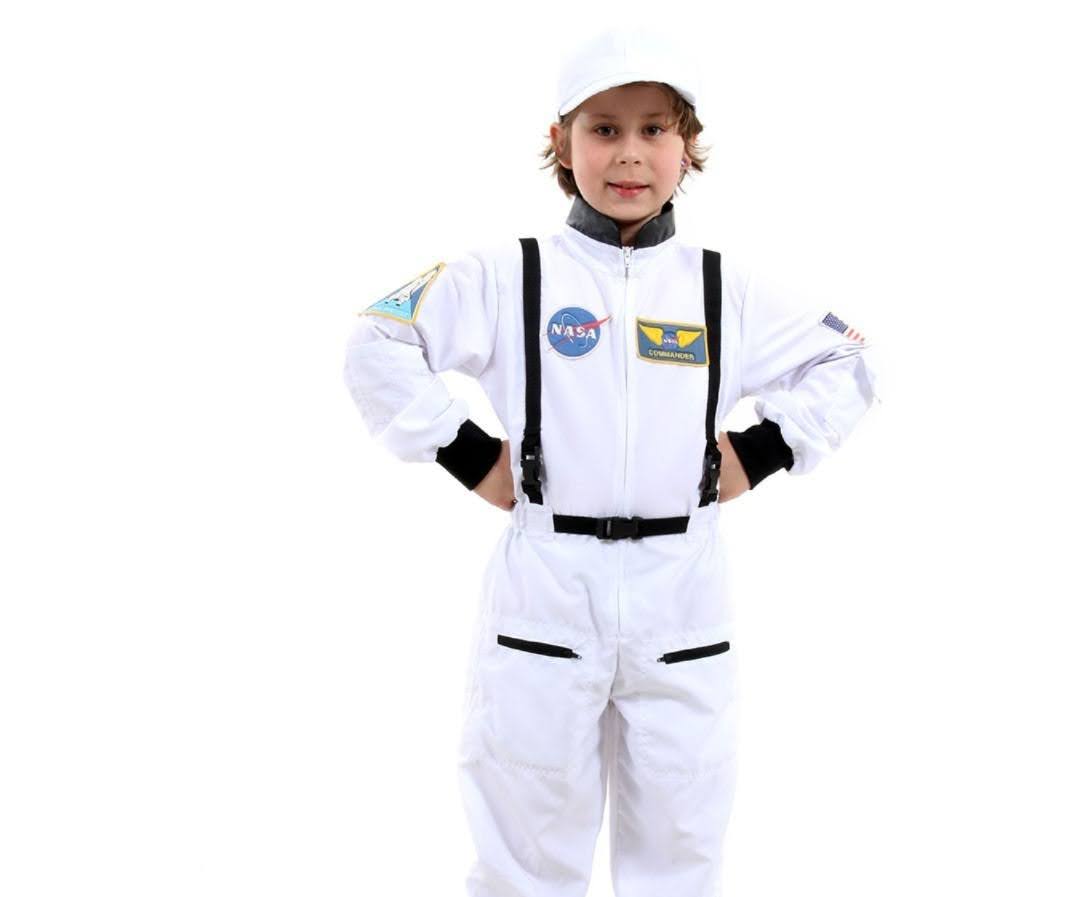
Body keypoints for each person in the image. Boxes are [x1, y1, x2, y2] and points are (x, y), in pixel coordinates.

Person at [342, 27, 882, 897]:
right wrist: (472, 456)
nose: (629, 154)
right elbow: (379, 338)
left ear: (687, 146)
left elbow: (848, 356)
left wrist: (760, 451)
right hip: (546, 594)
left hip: (682, 600)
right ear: (561, 142)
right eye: (603, 129)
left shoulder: (722, 287)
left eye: (654, 129)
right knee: (525, 841)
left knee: (681, 841)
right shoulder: (509, 276)